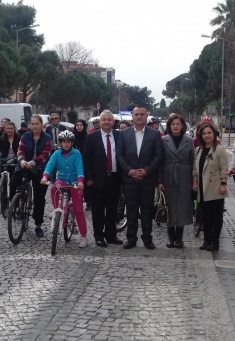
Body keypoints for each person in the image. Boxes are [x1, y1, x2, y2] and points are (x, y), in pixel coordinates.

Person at [116, 105, 164, 249]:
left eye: (141, 114)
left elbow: (158, 155)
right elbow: (119, 155)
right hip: (129, 179)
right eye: (136, 114)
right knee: (131, 210)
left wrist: (147, 170)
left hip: (147, 179)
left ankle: (147, 238)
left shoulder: (154, 134)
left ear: (146, 115)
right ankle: (131, 239)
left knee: (146, 210)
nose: (138, 117)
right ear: (132, 116)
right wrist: (130, 171)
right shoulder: (124, 134)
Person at [41, 130, 89, 248]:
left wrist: (80, 181)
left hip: (75, 182)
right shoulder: (56, 153)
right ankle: (56, 209)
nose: (66, 144)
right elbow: (50, 165)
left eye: (68, 142)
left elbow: (79, 168)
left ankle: (84, 237)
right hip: (61, 179)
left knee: (78, 210)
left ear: (72, 142)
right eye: (64, 142)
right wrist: (45, 176)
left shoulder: (76, 153)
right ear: (60, 143)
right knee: (54, 188)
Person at [83, 110, 123, 247]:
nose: (106, 122)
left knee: (112, 209)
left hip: (115, 178)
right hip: (97, 179)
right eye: (104, 119)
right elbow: (86, 159)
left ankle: (111, 235)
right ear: (99, 122)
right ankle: (98, 235)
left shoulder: (119, 136)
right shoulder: (91, 137)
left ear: (113, 122)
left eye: (109, 119)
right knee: (98, 210)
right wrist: (87, 177)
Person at [11, 115, 52, 237]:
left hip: (40, 168)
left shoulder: (47, 138)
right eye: (32, 124)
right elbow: (20, 150)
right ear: (29, 125)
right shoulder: (25, 136)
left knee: (39, 198)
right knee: (13, 182)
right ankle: (15, 206)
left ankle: (38, 225)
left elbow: (44, 155)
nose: (34, 126)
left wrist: (32, 163)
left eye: (37, 124)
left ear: (41, 125)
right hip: (25, 166)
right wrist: (22, 160)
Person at [158, 113, 194, 248]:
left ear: (182, 126)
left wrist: (193, 179)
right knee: (169, 205)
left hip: (184, 176)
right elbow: (159, 161)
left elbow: (193, 161)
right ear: (169, 126)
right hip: (168, 175)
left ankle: (179, 237)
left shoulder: (189, 141)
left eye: (178, 124)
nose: (175, 126)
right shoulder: (163, 140)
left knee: (182, 207)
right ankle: (170, 237)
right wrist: (159, 181)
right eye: (173, 124)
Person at [192, 122, 229, 251]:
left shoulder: (220, 150)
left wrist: (224, 184)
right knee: (205, 216)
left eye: (209, 133)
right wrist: (195, 182)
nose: (207, 135)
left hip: (215, 187)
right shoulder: (198, 150)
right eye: (204, 133)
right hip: (202, 188)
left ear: (214, 134)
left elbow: (224, 169)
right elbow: (195, 169)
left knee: (216, 217)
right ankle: (206, 240)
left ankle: (215, 241)